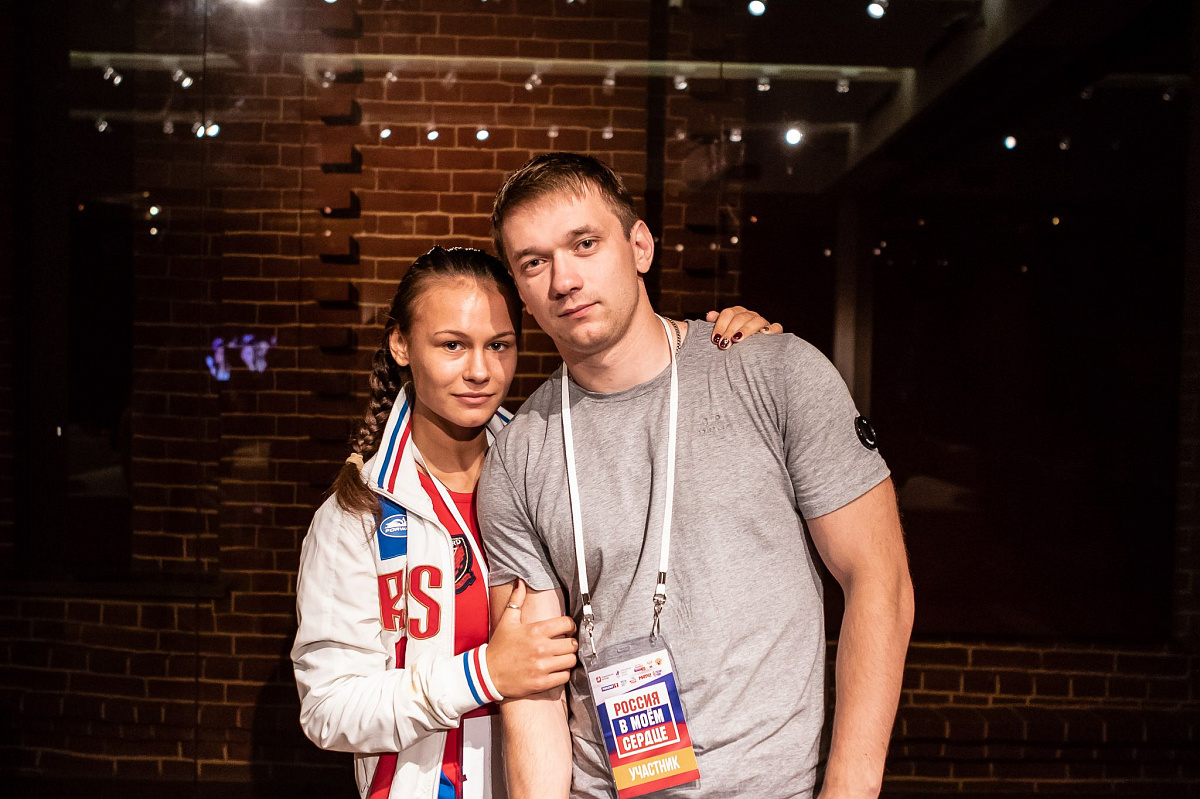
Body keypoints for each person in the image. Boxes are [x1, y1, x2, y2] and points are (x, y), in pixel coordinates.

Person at [479, 153, 915, 799]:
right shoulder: (519, 455)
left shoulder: (773, 372)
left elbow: (880, 581)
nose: (565, 279)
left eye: (585, 244)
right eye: (534, 262)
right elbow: (533, 683)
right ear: (520, 290)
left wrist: (849, 789)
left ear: (640, 246)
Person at [291, 244, 782, 799]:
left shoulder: (559, 465)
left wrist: (734, 353)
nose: (480, 371)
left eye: (499, 345)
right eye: (452, 345)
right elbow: (329, 709)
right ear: (401, 344)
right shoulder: (355, 515)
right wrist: (485, 675)